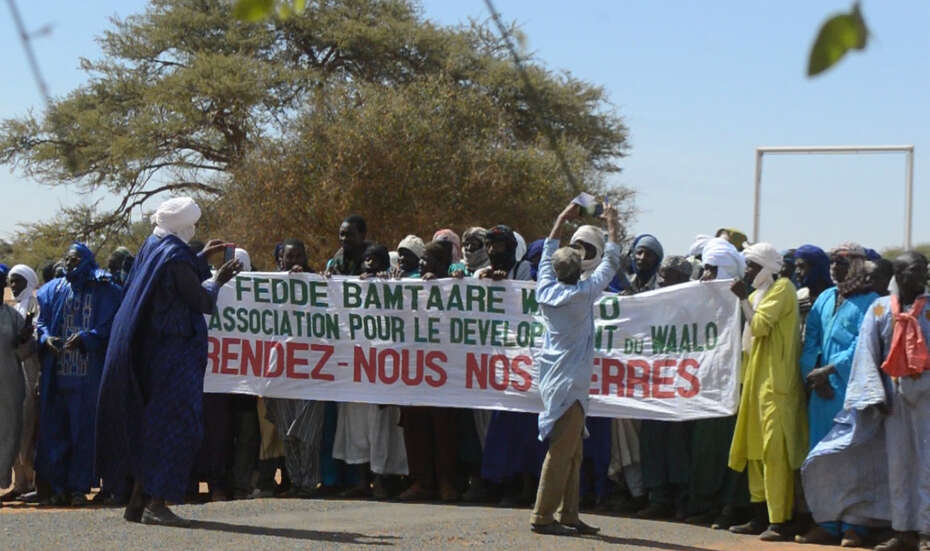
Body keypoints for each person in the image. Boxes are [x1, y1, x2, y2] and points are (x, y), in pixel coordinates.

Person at [96, 197, 240, 526]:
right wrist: (219, 280)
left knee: (152, 426)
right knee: (176, 426)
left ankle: (137, 501)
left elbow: (168, 279)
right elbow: (200, 299)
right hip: (174, 356)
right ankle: (156, 503)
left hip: (152, 353)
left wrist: (200, 258)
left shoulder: (154, 245)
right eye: (192, 224)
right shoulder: (175, 256)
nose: (194, 229)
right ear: (182, 225)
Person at [802, 252, 929, 551]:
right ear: (899, 273)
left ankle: (926, 531)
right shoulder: (880, 308)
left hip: (926, 393)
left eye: (923, 269)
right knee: (897, 465)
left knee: (927, 465)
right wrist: (873, 395)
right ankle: (902, 530)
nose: (921, 274)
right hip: (892, 395)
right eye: (913, 270)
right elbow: (867, 354)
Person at [529, 200, 621, 536]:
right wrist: (611, 223)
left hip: (556, 379)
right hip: (571, 381)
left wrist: (561, 218)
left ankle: (569, 513)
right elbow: (611, 261)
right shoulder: (582, 294)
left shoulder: (545, 288)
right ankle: (542, 516)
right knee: (561, 452)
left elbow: (546, 254)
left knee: (573, 453)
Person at [794, 243, 878, 547]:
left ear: (857, 265)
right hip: (821, 392)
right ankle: (826, 523)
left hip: (852, 389)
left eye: (842, 263)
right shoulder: (826, 298)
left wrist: (830, 370)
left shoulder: (872, 301)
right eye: (832, 262)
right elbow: (810, 339)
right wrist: (813, 374)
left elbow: (863, 344)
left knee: (852, 458)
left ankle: (856, 526)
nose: (835, 268)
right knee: (821, 459)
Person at [728, 243, 808, 541]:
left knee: (774, 452)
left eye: (752, 266)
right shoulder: (752, 295)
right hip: (754, 381)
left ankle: (780, 519)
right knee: (754, 450)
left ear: (767, 268)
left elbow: (760, 326)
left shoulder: (782, 289)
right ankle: (759, 515)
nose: (748, 271)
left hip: (777, 383)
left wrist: (741, 301)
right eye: (746, 266)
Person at [34, 244, 121, 507]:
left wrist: (87, 338)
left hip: (87, 377)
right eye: (68, 260)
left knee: (83, 435)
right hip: (58, 375)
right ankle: (58, 487)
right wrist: (47, 337)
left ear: (86, 261)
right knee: (55, 433)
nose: (70, 265)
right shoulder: (53, 289)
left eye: (75, 260)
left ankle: (78, 488)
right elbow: (41, 322)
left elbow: (111, 324)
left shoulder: (104, 289)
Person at [335, 242, 408, 498]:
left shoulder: (394, 289)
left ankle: (382, 480)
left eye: (376, 261)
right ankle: (361, 481)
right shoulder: (351, 289)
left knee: (381, 432)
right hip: (356, 374)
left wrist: (391, 287)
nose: (370, 265)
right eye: (366, 260)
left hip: (382, 375)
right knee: (357, 431)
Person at [689, 238, 751, 529]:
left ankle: (729, 507)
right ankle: (705, 504)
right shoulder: (701, 300)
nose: (705, 276)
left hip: (735, 388)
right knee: (705, 449)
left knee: (730, 449)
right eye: (704, 269)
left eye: (712, 270)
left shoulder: (745, 300)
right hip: (705, 387)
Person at [478, 225, 540, 506]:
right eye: (489, 246)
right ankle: (499, 481)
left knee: (524, 427)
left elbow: (526, 299)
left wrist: (506, 286)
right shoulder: (482, 272)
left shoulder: (523, 269)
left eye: (499, 246)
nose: (492, 252)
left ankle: (525, 485)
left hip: (522, 360)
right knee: (500, 427)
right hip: (496, 361)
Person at [399, 241, 461, 502]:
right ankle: (422, 481)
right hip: (417, 368)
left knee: (444, 430)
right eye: (422, 259)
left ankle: (448, 483)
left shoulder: (457, 281)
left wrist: (449, 280)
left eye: (430, 260)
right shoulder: (413, 282)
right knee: (416, 427)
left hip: (446, 370)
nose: (423, 264)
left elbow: (464, 275)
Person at [264, 239, 326, 498]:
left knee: (306, 429)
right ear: (281, 260)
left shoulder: (319, 283)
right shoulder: (268, 287)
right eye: (290, 257)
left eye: (299, 256)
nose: (295, 261)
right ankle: (295, 481)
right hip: (281, 369)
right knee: (286, 428)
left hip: (311, 368)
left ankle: (310, 482)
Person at [635, 256, 694, 520]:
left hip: (681, 384)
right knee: (652, 439)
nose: (662, 278)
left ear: (682, 278)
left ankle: (681, 499)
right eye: (662, 273)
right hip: (654, 381)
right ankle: (657, 497)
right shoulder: (653, 301)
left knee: (677, 443)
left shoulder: (694, 305)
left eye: (668, 274)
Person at [3, 265, 41, 501]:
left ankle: (31, 481)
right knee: (15, 430)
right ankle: (19, 484)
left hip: (31, 374)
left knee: (29, 431)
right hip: (15, 378)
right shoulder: (15, 308)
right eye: (11, 282)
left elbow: (34, 342)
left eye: (18, 281)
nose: (14, 286)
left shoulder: (35, 307)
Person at [0, 269, 32, 510]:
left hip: (8, 385)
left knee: (8, 432)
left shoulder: (12, 316)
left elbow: (26, 351)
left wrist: (23, 340)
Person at [794, 245, 832, 326]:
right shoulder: (801, 295)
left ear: (816, 268)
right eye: (796, 267)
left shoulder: (833, 297)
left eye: (801, 267)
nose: (797, 272)